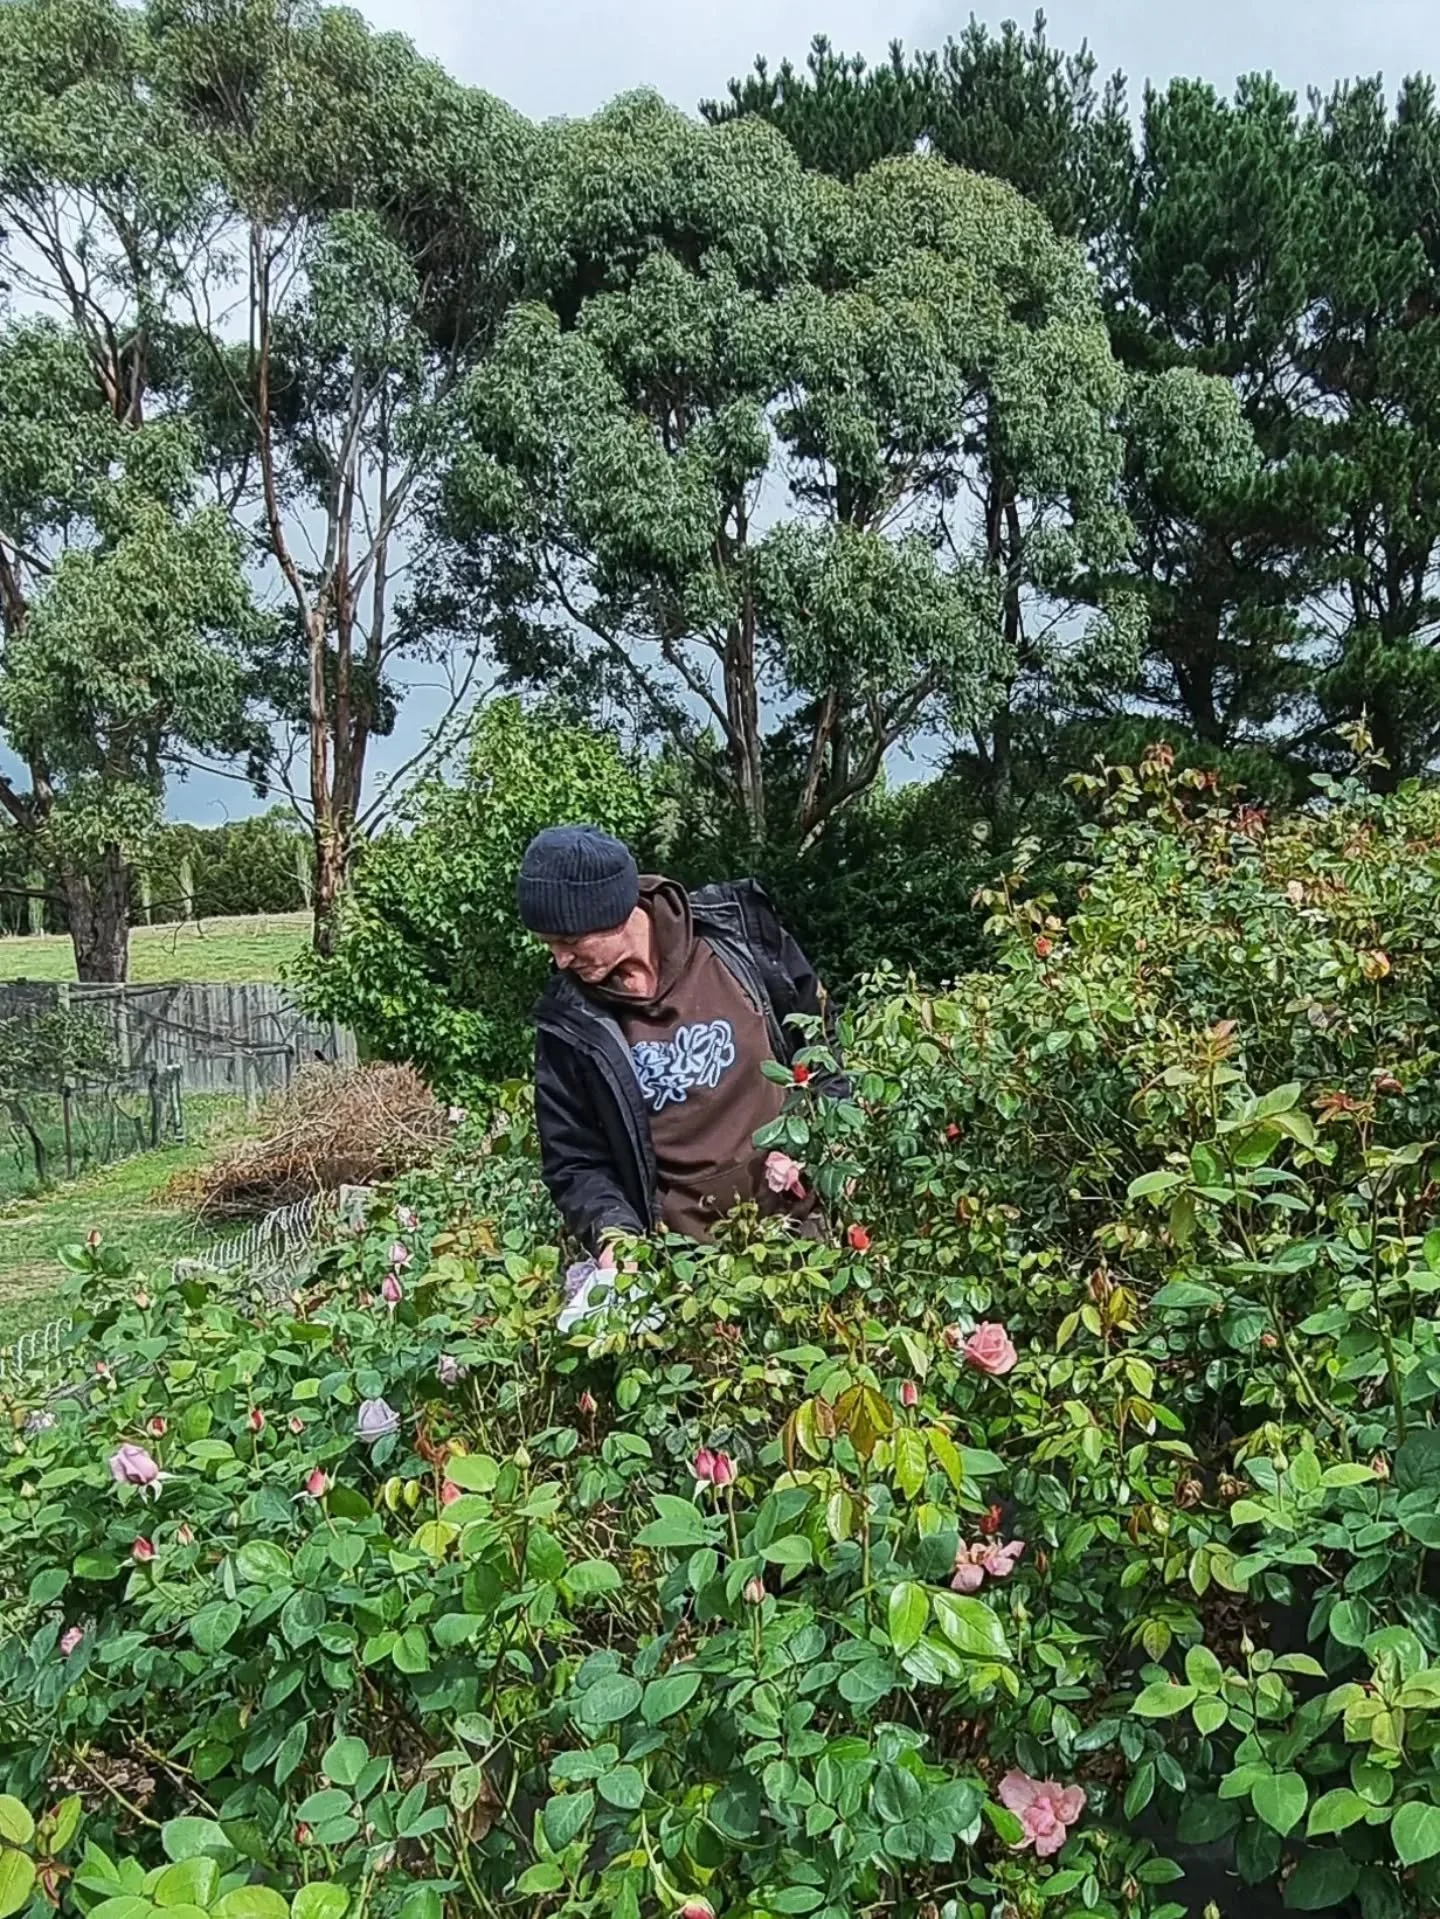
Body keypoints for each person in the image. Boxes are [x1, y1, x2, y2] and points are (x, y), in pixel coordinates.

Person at [518, 825, 842, 1256]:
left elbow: (819, 1042)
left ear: (614, 912)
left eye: (570, 941)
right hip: (682, 1270)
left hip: (801, 1231)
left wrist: (832, 1146)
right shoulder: (570, 1022)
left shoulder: (737, 937)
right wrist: (614, 1235)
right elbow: (574, 1160)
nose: (559, 959)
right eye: (549, 944)